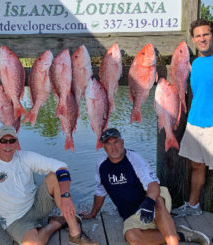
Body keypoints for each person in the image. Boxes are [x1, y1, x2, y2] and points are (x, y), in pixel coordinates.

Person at [0, 125, 99, 245]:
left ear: (17, 143)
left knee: (54, 176)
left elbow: (61, 166)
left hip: (36, 205)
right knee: (34, 243)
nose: (8, 145)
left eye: (12, 141)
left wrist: (66, 196)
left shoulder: (26, 157)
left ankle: (76, 235)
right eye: (3, 141)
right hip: (14, 219)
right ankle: (55, 223)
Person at [81, 128, 210, 245]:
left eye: (116, 142)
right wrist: (92, 213)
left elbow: (152, 184)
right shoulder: (101, 165)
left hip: (151, 199)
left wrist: (149, 202)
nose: (113, 147)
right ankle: (180, 234)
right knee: (132, 237)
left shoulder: (134, 159)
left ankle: (173, 242)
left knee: (158, 201)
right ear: (103, 147)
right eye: (108, 144)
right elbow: (100, 191)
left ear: (122, 142)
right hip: (132, 213)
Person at [171, 19, 213, 217]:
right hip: (195, 122)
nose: (202, 39)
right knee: (197, 166)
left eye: (206, 34)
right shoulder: (194, 63)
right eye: (198, 36)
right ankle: (193, 205)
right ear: (193, 40)